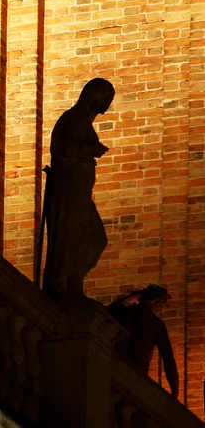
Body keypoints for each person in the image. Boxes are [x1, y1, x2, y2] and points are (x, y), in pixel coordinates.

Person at [42, 78, 115, 298]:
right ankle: (65, 286)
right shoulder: (76, 119)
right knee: (74, 235)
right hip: (70, 190)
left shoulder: (81, 120)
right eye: (105, 97)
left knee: (89, 237)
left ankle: (74, 284)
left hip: (80, 190)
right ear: (95, 97)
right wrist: (92, 148)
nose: (107, 103)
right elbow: (67, 149)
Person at [109, 285, 179, 399]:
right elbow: (168, 359)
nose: (163, 309)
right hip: (136, 376)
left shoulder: (123, 312)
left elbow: (110, 309)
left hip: (114, 371)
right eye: (165, 304)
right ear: (159, 302)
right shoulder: (155, 323)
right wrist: (174, 393)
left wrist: (140, 294)